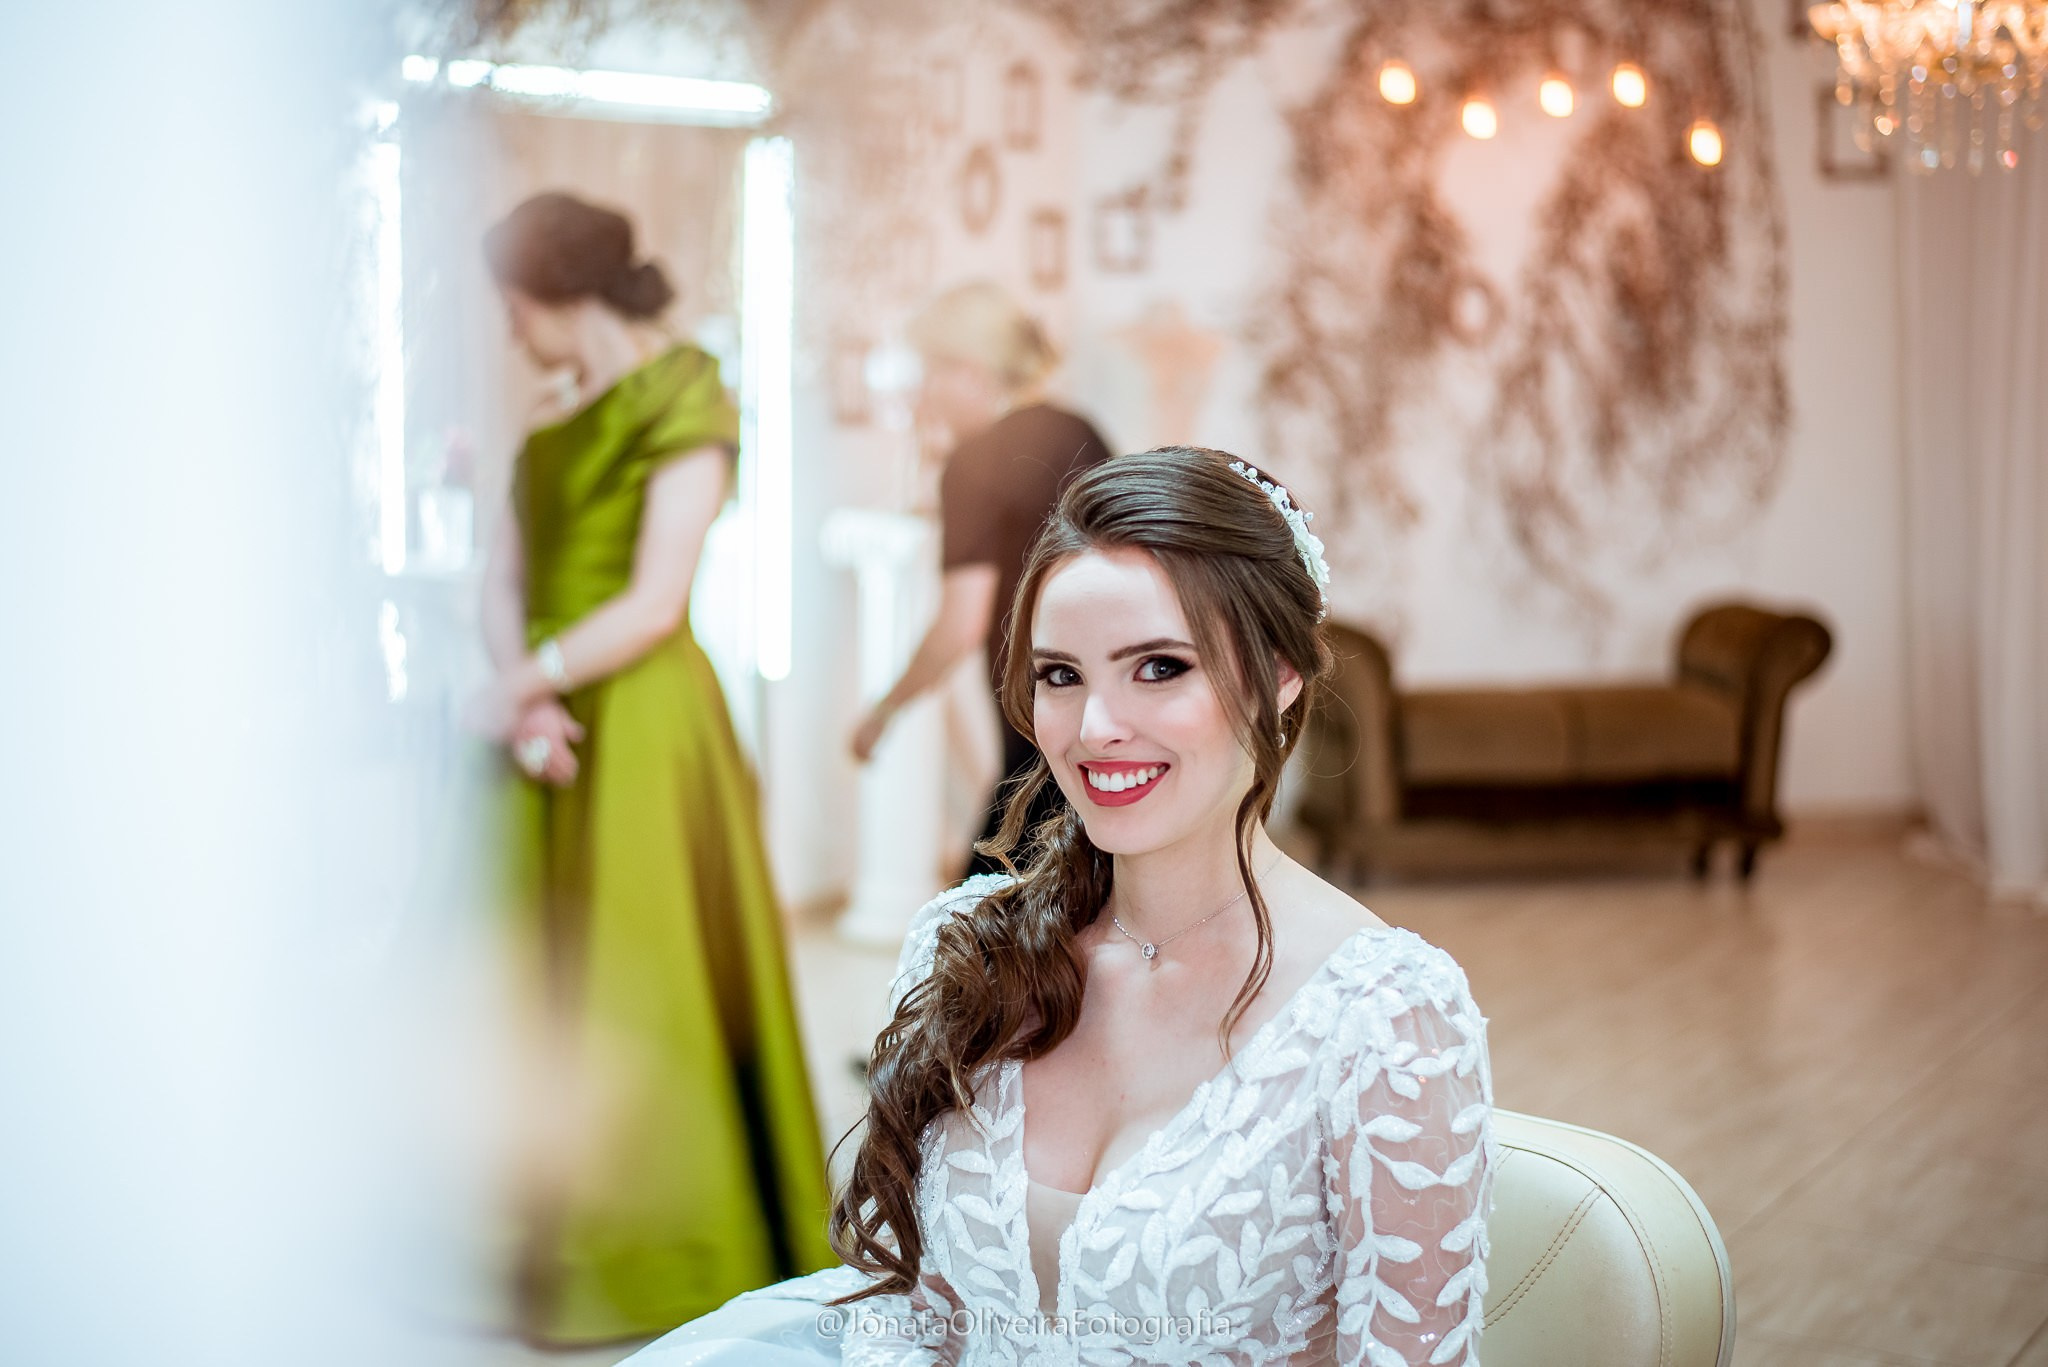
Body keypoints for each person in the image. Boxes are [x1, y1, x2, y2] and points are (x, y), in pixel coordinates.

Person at [633, 447, 1495, 1364]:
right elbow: (914, 1312)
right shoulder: (961, 948)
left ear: (1280, 675)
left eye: (1159, 668)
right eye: (1060, 675)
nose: (1094, 730)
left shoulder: (1388, 1017)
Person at [464, 192, 833, 1345]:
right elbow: (501, 576)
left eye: (513, 307)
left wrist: (527, 685)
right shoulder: (546, 414)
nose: (513, 334)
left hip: (639, 715)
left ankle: (660, 1241)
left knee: (637, 979)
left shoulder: (687, 393)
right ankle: (532, 1243)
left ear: (546, 293)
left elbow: (655, 598)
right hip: (545, 712)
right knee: (531, 979)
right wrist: (524, 701)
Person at [849, 281, 1114, 875]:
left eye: (927, 377)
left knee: (982, 918)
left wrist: (883, 711)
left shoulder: (975, 462)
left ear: (969, 371)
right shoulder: (1081, 430)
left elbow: (958, 625)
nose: (921, 399)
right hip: (1111, 690)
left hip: (1039, 700)